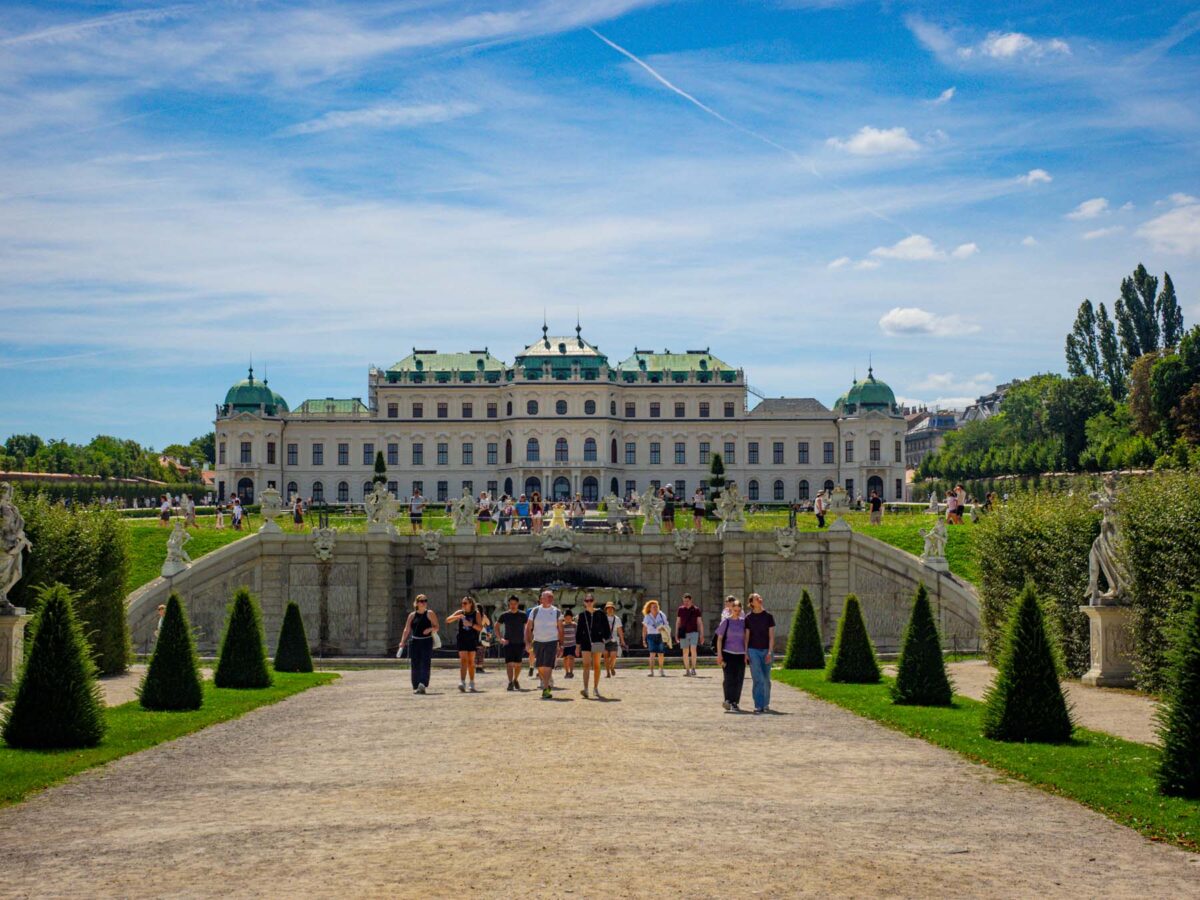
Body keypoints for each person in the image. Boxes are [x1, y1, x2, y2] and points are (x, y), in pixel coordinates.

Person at [525, 590, 564, 700]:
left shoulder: (557, 612)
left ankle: (546, 688)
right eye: (548, 597)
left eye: (551, 597)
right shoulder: (535, 611)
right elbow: (528, 627)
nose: (550, 599)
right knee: (540, 666)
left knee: (548, 665)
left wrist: (561, 645)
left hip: (552, 641)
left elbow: (561, 629)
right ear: (541, 599)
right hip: (538, 641)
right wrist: (528, 642)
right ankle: (547, 681)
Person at [399, 594, 439, 694]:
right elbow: (407, 629)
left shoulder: (430, 613)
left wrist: (430, 629)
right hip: (415, 641)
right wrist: (402, 641)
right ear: (416, 603)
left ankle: (423, 684)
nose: (424, 603)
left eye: (425, 601)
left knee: (425, 662)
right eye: (421, 601)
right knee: (415, 663)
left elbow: (437, 627)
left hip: (426, 641)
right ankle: (416, 685)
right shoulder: (412, 615)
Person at [744, 593, 776, 713]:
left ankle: (765, 704)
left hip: (766, 650)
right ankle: (758, 705)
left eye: (760, 598)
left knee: (766, 679)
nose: (759, 599)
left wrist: (770, 652)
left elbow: (771, 636)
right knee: (758, 678)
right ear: (752, 603)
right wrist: (746, 652)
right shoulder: (748, 618)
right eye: (757, 598)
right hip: (753, 650)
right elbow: (746, 637)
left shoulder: (769, 616)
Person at [575, 593, 611, 699]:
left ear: (594, 601)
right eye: (587, 601)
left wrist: (605, 638)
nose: (589, 602)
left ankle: (595, 687)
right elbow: (579, 631)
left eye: (591, 600)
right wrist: (577, 646)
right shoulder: (582, 615)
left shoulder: (601, 613)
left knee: (596, 665)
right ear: (584, 602)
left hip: (598, 641)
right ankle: (586, 689)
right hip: (585, 642)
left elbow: (606, 628)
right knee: (586, 665)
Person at [715, 598, 747, 711]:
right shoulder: (726, 621)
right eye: (735, 610)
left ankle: (735, 702)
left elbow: (746, 639)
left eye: (739, 610)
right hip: (727, 654)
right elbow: (719, 639)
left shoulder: (743, 622)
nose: (737, 612)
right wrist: (719, 655)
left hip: (741, 654)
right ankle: (728, 700)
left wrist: (746, 654)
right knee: (728, 678)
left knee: (739, 679)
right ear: (731, 609)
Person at [445, 597, 483, 693]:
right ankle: (462, 682)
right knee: (463, 660)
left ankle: (472, 682)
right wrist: (457, 617)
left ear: (470, 604)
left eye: (465, 603)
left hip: (472, 639)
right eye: (462, 603)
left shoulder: (476, 613)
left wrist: (471, 624)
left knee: (471, 662)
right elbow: (447, 620)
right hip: (462, 639)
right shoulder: (460, 612)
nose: (463, 605)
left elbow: (480, 628)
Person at [496, 595, 527, 690]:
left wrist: (527, 640)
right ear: (508, 604)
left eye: (515, 604)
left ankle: (515, 680)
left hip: (520, 643)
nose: (513, 606)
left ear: (518, 604)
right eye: (511, 604)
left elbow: (528, 628)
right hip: (508, 643)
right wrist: (500, 638)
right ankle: (510, 682)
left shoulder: (523, 615)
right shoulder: (504, 615)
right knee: (509, 664)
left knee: (518, 664)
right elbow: (496, 626)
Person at [675, 594, 704, 676]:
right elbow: (678, 622)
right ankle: (687, 670)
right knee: (685, 651)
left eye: (687, 601)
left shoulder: (696, 609)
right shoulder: (680, 609)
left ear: (691, 600)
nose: (685, 603)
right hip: (683, 632)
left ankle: (693, 669)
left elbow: (700, 623)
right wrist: (676, 633)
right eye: (684, 601)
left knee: (693, 649)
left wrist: (702, 634)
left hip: (694, 632)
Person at [642, 599, 669, 677]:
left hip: (660, 635)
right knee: (652, 654)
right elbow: (644, 629)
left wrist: (663, 628)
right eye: (653, 607)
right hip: (651, 636)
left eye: (656, 606)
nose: (655, 608)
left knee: (661, 654)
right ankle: (651, 671)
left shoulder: (662, 615)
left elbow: (666, 625)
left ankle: (661, 669)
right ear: (649, 608)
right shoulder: (647, 617)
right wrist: (644, 640)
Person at [603, 600, 626, 678]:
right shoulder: (603, 618)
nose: (610, 609)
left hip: (614, 640)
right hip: (604, 640)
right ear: (606, 610)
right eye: (608, 608)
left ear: (613, 609)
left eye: (611, 608)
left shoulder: (617, 619)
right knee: (606, 657)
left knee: (613, 656)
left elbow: (620, 631)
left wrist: (622, 641)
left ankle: (611, 667)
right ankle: (607, 673)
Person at [561, 609, 578, 679]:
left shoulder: (574, 625)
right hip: (564, 645)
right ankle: (566, 672)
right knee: (565, 658)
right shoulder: (562, 625)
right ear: (564, 618)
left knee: (571, 657)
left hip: (572, 644)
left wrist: (577, 645)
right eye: (566, 618)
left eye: (569, 618)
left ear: (572, 618)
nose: (568, 619)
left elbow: (577, 634)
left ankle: (571, 672)